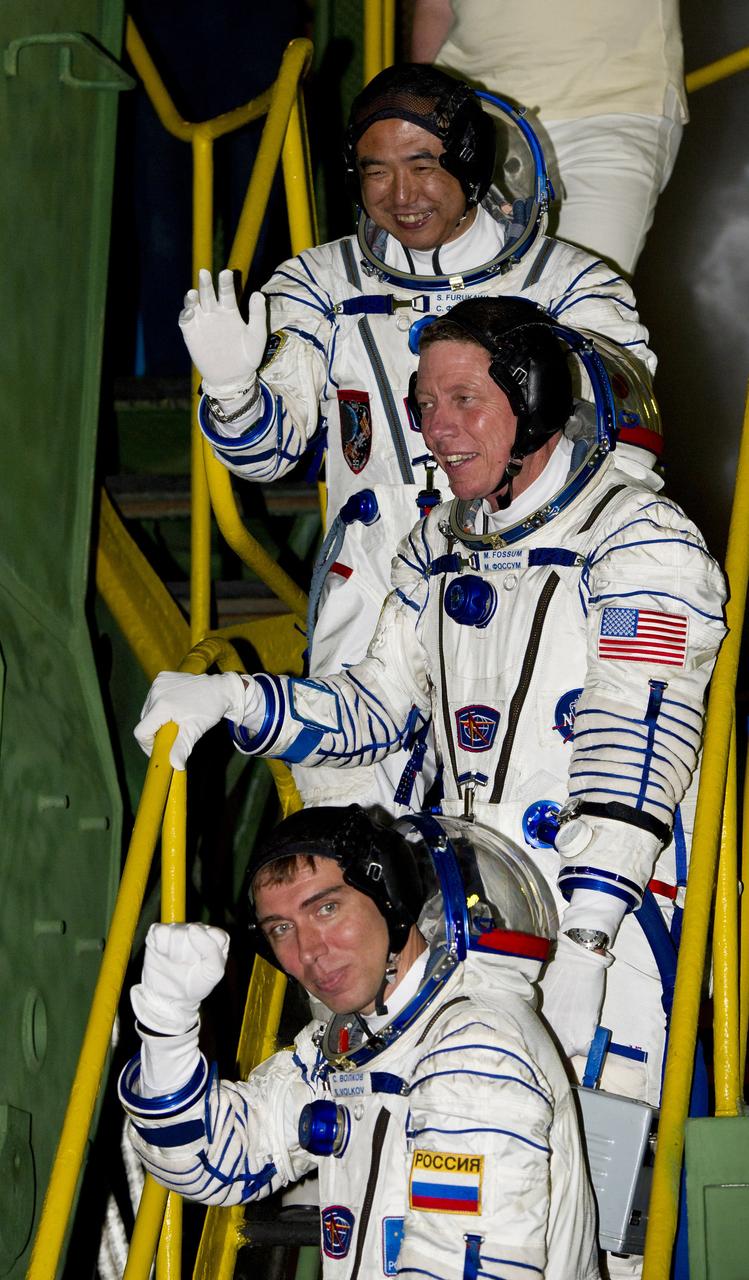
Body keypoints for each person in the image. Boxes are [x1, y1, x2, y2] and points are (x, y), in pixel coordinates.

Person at [136, 297, 725, 1129]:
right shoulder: (437, 545)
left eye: (463, 401)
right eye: (423, 406)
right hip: (474, 910)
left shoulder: (639, 540)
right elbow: (374, 706)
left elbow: (635, 738)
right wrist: (238, 698)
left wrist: (588, 940)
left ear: (535, 403)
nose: (437, 431)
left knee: (595, 1165)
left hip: (614, 918)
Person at [179, 61, 661, 817]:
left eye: (424, 165)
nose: (401, 195)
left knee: (531, 803)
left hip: (529, 578)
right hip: (372, 589)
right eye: (377, 171)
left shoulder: (571, 287)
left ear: (469, 162)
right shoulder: (320, 285)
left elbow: (621, 456)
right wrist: (234, 388)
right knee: (348, 817)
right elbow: (266, 456)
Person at [118, 804, 601, 1279]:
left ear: (392, 897)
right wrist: (166, 1025)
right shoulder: (352, 1046)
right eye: (281, 929)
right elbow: (212, 1162)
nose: (309, 951)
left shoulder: (475, 1051)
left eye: (327, 908)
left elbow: (461, 1265)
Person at [410, 0, 686, 278]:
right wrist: (418, 107)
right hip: (474, 109)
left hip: (613, 102)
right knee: (450, 294)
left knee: (579, 292)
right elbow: (435, 7)